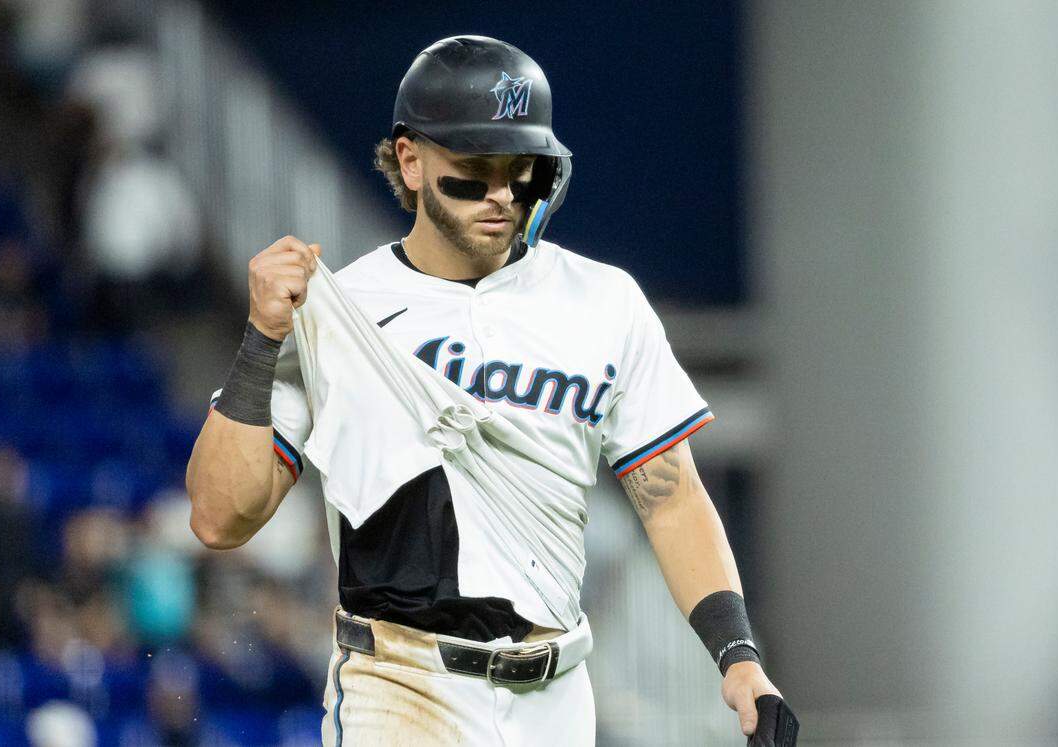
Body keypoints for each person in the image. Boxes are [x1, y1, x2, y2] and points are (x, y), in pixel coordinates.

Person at [186, 35, 794, 746]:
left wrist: (738, 654)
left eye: (521, 170)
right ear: (409, 160)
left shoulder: (604, 302)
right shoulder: (340, 313)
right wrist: (261, 337)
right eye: (474, 170)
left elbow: (671, 497)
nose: (502, 195)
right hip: (401, 687)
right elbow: (218, 517)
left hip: (558, 694)